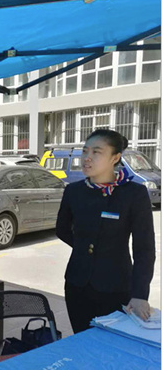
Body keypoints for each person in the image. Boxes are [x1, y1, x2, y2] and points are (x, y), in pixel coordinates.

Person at [56, 128, 155, 334]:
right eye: (85, 151)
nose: (87, 157)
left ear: (115, 158)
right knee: (81, 339)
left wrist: (140, 294)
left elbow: (144, 248)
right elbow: (62, 229)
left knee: (112, 344)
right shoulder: (74, 191)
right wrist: (84, 247)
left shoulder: (134, 194)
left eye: (96, 152)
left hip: (116, 286)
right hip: (77, 284)